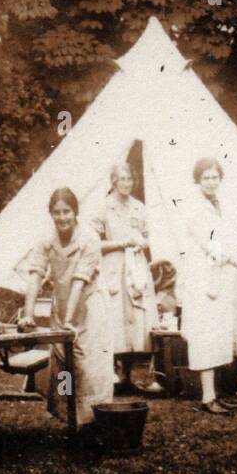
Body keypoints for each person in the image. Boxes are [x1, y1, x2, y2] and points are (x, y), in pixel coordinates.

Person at [18, 187, 115, 431]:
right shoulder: (45, 239)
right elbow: (35, 273)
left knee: (88, 367)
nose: (62, 218)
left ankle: (93, 422)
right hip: (62, 305)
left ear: (75, 212)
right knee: (63, 365)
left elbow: (80, 281)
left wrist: (69, 322)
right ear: (51, 214)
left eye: (67, 212)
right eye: (57, 212)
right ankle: (68, 419)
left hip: (90, 306)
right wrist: (28, 314)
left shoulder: (89, 239)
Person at [180, 157, 237, 414]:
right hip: (204, 280)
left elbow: (224, 239)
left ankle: (216, 393)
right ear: (198, 181)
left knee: (220, 334)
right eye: (206, 178)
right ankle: (207, 397)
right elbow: (211, 247)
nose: (211, 182)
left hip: (221, 279)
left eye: (214, 177)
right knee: (206, 336)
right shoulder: (194, 209)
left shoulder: (220, 205)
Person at [92, 159, 162, 393]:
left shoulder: (139, 207)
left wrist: (143, 241)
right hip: (113, 266)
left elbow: (150, 235)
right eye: (122, 179)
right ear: (113, 181)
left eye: (130, 179)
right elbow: (94, 244)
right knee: (114, 318)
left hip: (136, 267)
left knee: (136, 320)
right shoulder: (103, 207)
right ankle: (114, 371)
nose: (126, 183)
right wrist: (121, 242)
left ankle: (131, 373)